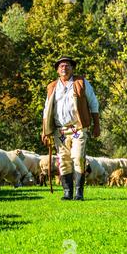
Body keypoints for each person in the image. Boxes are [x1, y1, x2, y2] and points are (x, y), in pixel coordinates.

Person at [41, 56, 100, 201]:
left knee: (78, 157)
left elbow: (93, 103)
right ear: (57, 70)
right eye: (61, 66)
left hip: (77, 128)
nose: (64, 68)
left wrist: (96, 125)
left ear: (72, 69)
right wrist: (44, 131)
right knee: (63, 160)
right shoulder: (52, 87)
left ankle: (79, 193)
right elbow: (47, 109)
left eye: (67, 65)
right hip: (59, 130)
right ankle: (67, 192)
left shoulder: (81, 83)